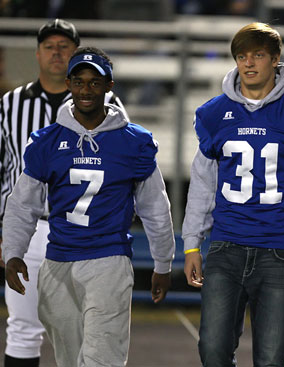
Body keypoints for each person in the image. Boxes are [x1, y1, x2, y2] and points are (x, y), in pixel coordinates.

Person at [1, 46, 175, 366]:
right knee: (68, 360)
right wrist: (13, 251)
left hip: (107, 260)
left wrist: (163, 263)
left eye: (95, 82)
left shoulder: (134, 141)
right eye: (79, 81)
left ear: (109, 86)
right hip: (57, 261)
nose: (86, 89)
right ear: (68, 84)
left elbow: (155, 207)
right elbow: (23, 204)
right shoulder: (47, 141)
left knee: (101, 360)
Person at [181, 22, 284, 366]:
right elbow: (203, 183)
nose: (249, 63)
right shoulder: (212, 113)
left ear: (276, 59)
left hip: (278, 251)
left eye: (258, 55)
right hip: (225, 248)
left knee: (270, 359)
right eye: (241, 56)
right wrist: (192, 242)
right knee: (213, 351)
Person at [0, 19, 130, 367]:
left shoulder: (111, 104)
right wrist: (6, 232)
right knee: (23, 328)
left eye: (64, 46)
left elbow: (124, 169)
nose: (57, 53)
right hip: (31, 229)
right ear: (38, 54)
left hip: (89, 230)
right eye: (49, 46)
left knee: (89, 331)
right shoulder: (9, 104)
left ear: (76, 54)